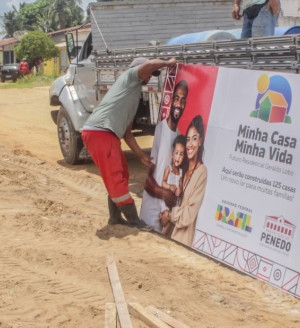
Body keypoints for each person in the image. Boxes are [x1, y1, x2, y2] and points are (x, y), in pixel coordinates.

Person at [81, 56, 177, 228]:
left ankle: (115, 218)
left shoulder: (132, 94)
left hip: (105, 133)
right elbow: (149, 65)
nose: (149, 78)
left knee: (122, 174)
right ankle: (135, 221)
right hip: (100, 133)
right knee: (115, 176)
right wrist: (167, 63)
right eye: (148, 74)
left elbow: (127, 133)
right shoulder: (131, 76)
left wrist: (141, 156)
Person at [140, 80, 188, 231]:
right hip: (150, 215)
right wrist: (164, 194)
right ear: (171, 100)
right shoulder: (161, 129)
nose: (179, 104)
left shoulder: (179, 137)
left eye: (183, 100)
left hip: (165, 218)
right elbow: (147, 179)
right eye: (176, 98)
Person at [160, 115, 207, 246]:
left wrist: (169, 215)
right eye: (188, 139)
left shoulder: (202, 172)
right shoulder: (183, 168)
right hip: (167, 236)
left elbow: (189, 214)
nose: (190, 144)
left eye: (194, 138)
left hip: (181, 240)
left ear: (200, 141)